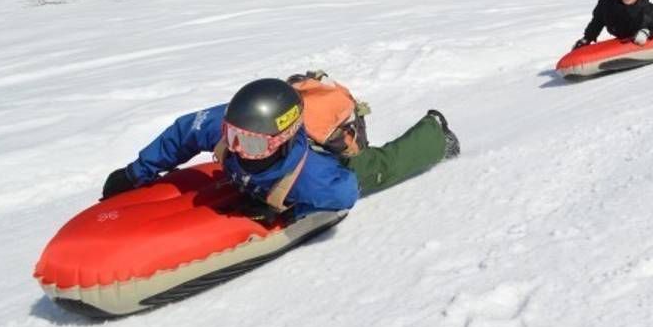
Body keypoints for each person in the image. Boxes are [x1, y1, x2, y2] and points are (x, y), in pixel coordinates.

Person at [100, 71, 460, 222]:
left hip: (327, 158)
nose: (237, 149)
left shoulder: (317, 179)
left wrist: (288, 214)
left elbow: (344, 195)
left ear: (280, 141)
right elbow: (183, 132)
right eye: (233, 138)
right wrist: (136, 173)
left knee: (382, 166)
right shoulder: (229, 126)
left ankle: (436, 135)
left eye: (251, 144)